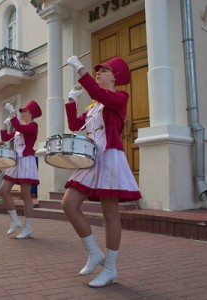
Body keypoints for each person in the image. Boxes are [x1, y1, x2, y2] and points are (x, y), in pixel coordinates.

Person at [63, 55, 142, 288]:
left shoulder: (119, 97)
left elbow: (100, 94)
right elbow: (75, 126)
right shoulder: (93, 105)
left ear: (115, 77)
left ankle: (110, 268)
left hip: (109, 156)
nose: (98, 73)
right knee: (68, 203)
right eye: (97, 70)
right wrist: (70, 101)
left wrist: (81, 71)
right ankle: (94, 253)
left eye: (104, 70)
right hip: (91, 159)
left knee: (110, 213)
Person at [0, 100, 42, 239]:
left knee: (26, 195)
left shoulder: (33, 125)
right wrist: (5, 124)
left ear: (31, 113)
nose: (21, 113)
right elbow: (5, 138)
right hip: (16, 160)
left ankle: (28, 227)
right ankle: (15, 220)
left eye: (24, 111)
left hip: (26, 160)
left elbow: (22, 128)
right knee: (4, 190)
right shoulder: (19, 128)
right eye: (21, 111)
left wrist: (12, 114)